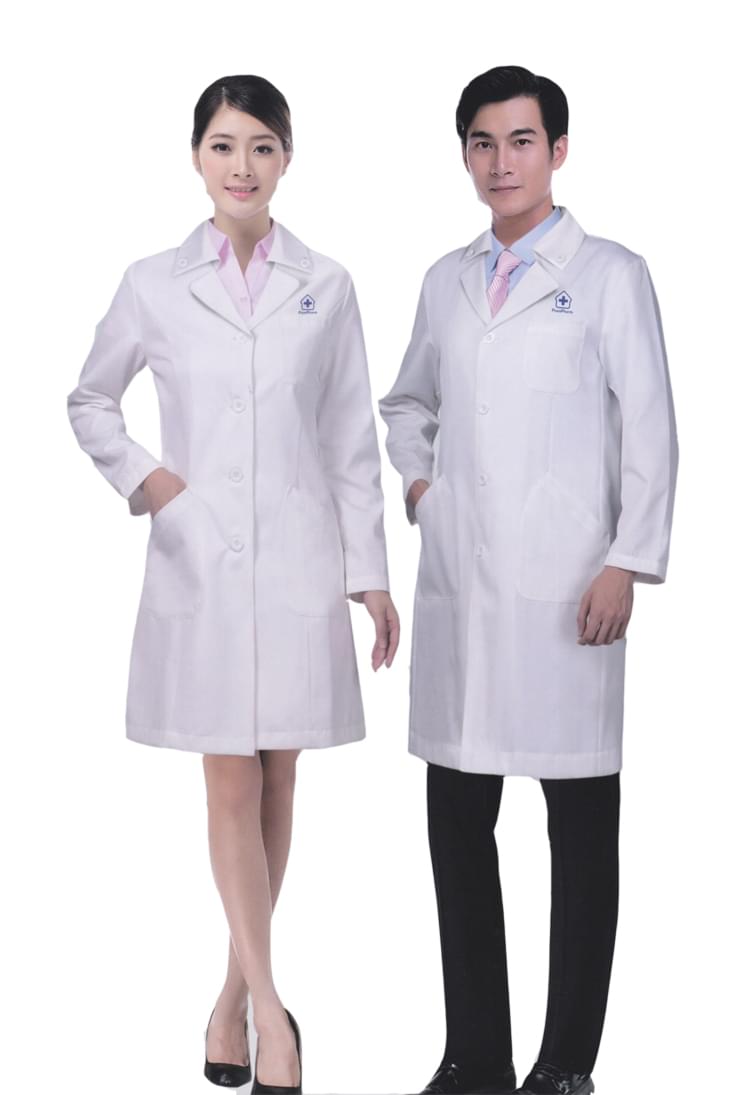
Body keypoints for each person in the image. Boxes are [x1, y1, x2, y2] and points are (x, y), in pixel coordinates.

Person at [67, 73, 400, 1094]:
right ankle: (275, 1018)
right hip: (201, 564)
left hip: (299, 560)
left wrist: (370, 576)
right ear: (196, 157)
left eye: (261, 146)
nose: (241, 166)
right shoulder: (152, 282)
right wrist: (151, 483)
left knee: (279, 777)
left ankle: (228, 1003)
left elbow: (349, 439)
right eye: (223, 145)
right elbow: (89, 400)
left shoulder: (327, 283)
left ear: (286, 158)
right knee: (231, 780)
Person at [379, 65, 678, 1095]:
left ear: (558, 150)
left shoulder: (609, 274)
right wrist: (423, 486)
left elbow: (651, 428)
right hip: (464, 594)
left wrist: (626, 559)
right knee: (458, 828)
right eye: (481, 142)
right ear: (464, 155)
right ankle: (475, 1056)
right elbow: (407, 402)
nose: (500, 161)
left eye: (519, 140)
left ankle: (563, 1066)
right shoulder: (445, 279)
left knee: (580, 837)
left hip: (569, 596)